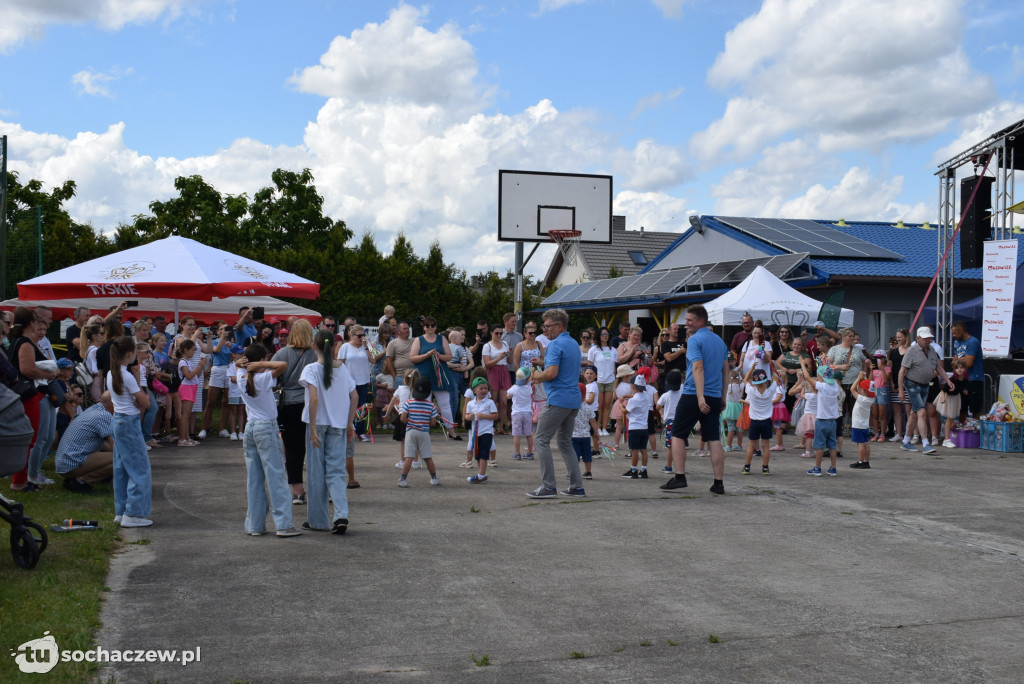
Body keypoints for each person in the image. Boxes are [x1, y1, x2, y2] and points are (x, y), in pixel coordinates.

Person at [661, 305, 730, 495]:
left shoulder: (694, 340)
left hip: (694, 394)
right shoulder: (720, 342)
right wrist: (722, 396)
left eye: (690, 320)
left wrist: (700, 397)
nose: (686, 324)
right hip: (715, 395)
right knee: (713, 438)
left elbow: (698, 368)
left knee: (677, 433)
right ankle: (718, 483)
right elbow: (726, 371)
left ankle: (680, 477)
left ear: (701, 321)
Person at [237, 342, 301, 537]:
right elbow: (282, 365)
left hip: (250, 428)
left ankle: (254, 526)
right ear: (262, 359)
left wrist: (246, 365)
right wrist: (259, 365)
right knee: (276, 476)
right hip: (266, 426)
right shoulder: (263, 378)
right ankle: (283, 524)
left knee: (254, 479)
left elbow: (239, 366)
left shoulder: (241, 376)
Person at [300, 330, 358, 533]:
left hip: (317, 424)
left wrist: (313, 427)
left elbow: (314, 399)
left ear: (313, 346)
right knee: (336, 472)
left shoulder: (310, 369)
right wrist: (350, 423)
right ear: (335, 347)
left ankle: (318, 520)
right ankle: (341, 515)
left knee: (316, 472)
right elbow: (355, 397)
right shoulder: (342, 369)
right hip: (339, 425)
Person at [526, 308, 584, 498]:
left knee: (541, 439)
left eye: (548, 326)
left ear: (559, 326)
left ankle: (548, 486)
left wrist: (536, 375)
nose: (545, 330)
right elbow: (562, 367)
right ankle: (576, 486)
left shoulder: (555, 345)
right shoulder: (573, 343)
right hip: (573, 399)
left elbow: (552, 374)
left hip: (559, 399)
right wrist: (543, 363)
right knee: (565, 443)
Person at [7, 307, 59, 492]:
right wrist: (50, 374)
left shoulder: (22, 341)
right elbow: (26, 370)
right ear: (31, 323)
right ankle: (20, 481)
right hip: (28, 394)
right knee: (30, 437)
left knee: (30, 437)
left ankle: (22, 478)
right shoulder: (25, 343)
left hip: (26, 394)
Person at [106, 336, 153, 527]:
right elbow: (146, 402)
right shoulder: (127, 376)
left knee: (121, 467)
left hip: (119, 420)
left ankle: (121, 510)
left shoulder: (112, 373)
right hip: (129, 422)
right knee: (139, 468)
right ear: (129, 354)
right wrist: (139, 380)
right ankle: (133, 513)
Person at [271, 319, 318, 504]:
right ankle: (321, 488)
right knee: (315, 446)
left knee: (292, 449)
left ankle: (298, 491)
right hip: (310, 402)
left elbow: (271, 377)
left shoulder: (281, 353)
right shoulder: (315, 355)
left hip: (288, 403)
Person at [898, 327, 953, 455]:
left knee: (914, 413)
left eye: (929, 338)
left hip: (925, 384)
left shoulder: (932, 350)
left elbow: (938, 367)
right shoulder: (911, 351)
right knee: (922, 412)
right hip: (912, 384)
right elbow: (902, 372)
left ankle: (906, 441)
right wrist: (901, 390)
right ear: (918, 338)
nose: (928, 340)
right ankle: (926, 444)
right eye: (925, 338)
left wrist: (947, 380)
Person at [409, 316, 460, 440]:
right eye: (427, 325)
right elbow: (412, 357)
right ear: (424, 327)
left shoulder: (441, 338)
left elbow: (449, 356)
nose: (430, 328)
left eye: (432, 325)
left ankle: (451, 430)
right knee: (423, 404)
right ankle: (421, 429)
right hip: (424, 376)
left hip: (440, 376)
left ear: (436, 327)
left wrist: (439, 356)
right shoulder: (419, 340)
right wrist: (426, 355)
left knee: (445, 405)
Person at [57, 392, 115, 493]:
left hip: (64, 462)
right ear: (113, 404)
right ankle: (81, 481)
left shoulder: (93, 409)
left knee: (115, 456)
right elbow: (116, 447)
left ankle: (75, 479)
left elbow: (105, 446)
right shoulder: (104, 415)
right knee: (120, 459)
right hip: (72, 464)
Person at [26, 305, 58, 486]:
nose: (43, 331)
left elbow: (53, 365)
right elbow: (33, 368)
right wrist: (50, 371)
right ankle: (32, 474)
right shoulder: (27, 344)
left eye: (45, 329)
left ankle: (36, 471)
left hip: (48, 391)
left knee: (47, 436)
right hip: (39, 392)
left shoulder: (43, 343)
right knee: (40, 436)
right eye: (40, 328)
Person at [397, 376, 441, 488]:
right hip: (424, 432)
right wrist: (425, 422)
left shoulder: (409, 402)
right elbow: (433, 423)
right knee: (427, 457)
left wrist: (410, 421)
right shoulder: (431, 405)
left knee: (409, 457)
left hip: (411, 431)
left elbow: (402, 418)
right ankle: (434, 478)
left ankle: (403, 479)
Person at [740, 367, 782, 476]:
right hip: (766, 421)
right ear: (766, 381)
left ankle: (747, 467)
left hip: (754, 422)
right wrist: (772, 367)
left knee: (751, 445)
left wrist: (751, 368)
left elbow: (745, 379)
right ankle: (765, 468)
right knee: (766, 446)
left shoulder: (751, 391)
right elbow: (776, 379)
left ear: (754, 382)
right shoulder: (770, 390)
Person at [338, 323, 374, 442]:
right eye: (359, 336)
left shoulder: (366, 346)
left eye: (363, 335)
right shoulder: (345, 347)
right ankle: (348, 429)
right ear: (352, 335)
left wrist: (367, 346)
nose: (361, 338)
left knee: (361, 407)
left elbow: (373, 360)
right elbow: (340, 363)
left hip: (363, 380)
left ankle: (361, 432)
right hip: (349, 381)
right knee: (348, 406)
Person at [827, 327, 867, 429]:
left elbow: (865, 361)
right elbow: (826, 365)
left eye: (853, 336)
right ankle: (838, 429)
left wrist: (864, 372)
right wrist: (840, 367)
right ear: (843, 336)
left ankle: (854, 429)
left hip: (855, 383)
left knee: (854, 407)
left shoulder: (857, 349)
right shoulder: (834, 349)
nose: (852, 339)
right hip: (840, 382)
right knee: (840, 407)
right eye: (850, 336)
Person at [805, 365, 841, 477]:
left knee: (819, 446)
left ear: (821, 377)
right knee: (832, 446)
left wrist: (802, 364)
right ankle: (833, 468)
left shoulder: (823, 386)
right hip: (833, 421)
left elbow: (807, 378)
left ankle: (818, 468)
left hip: (822, 420)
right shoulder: (835, 385)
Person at [200, 323, 234, 439]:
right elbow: (217, 351)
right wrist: (222, 338)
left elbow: (235, 356)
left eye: (226, 329)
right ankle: (204, 428)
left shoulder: (231, 343)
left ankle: (222, 428)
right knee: (211, 401)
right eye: (221, 329)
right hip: (218, 369)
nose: (224, 331)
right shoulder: (214, 342)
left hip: (228, 369)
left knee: (226, 401)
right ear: (218, 332)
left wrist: (231, 347)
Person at [464, 376, 498, 484]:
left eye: (485, 388)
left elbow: (495, 416)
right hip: (476, 433)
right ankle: (481, 474)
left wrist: (483, 415)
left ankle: (481, 475)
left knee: (483, 454)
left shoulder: (490, 403)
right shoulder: (470, 404)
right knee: (478, 454)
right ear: (474, 390)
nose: (484, 391)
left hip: (486, 432)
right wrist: (468, 417)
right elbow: (467, 415)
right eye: (481, 388)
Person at [620, 374, 652, 479]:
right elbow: (636, 395)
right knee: (643, 449)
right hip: (644, 427)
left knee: (634, 450)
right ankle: (644, 469)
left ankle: (633, 470)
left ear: (633, 387)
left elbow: (625, 411)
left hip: (634, 428)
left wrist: (620, 405)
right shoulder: (646, 396)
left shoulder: (633, 401)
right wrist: (626, 396)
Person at [175, 339, 206, 447]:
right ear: (186, 350)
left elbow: (196, 375)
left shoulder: (189, 362)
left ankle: (187, 437)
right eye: (193, 350)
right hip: (186, 387)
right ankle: (182, 438)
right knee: (185, 414)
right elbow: (188, 376)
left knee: (188, 414)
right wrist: (198, 366)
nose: (194, 352)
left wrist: (200, 366)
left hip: (192, 387)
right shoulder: (183, 362)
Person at [588, 327, 618, 436]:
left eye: (607, 334)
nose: (605, 336)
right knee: (599, 405)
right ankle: (598, 427)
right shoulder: (594, 349)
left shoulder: (613, 350)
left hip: (610, 380)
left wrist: (615, 379)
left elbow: (614, 366)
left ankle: (605, 427)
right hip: (599, 380)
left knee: (607, 405)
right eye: (602, 334)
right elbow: (590, 365)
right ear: (599, 336)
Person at [482, 325, 512, 434]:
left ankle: (501, 426)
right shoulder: (487, 346)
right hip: (493, 371)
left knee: (504, 401)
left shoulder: (504, 344)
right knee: (493, 400)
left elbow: (509, 361)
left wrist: (509, 354)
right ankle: (492, 426)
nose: (499, 335)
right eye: (497, 333)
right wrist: (499, 357)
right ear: (491, 333)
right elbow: (487, 364)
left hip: (503, 370)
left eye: (500, 333)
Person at [951, 322, 984, 421]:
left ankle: (977, 432)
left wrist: (958, 360)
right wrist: (961, 360)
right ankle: (963, 432)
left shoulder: (973, 342)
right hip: (961, 379)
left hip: (974, 379)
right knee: (962, 408)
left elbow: (969, 363)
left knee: (975, 409)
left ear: (961, 331)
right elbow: (953, 364)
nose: (953, 336)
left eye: (955, 333)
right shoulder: (957, 343)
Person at [888, 328, 913, 442]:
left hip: (908, 382)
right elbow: (891, 367)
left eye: (900, 337)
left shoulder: (912, 350)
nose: (897, 339)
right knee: (897, 410)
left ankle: (910, 434)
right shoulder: (894, 351)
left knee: (909, 410)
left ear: (906, 337)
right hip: (895, 382)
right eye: (897, 337)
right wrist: (892, 382)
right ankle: (898, 434)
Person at [939, 360, 969, 448]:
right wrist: (943, 398)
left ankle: (948, 438)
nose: (959, 370)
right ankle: (946, 439)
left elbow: (962, 387)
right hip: (948, 398)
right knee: (950, 418)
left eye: (961, 368)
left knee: (951, 418)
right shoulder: (952, 379)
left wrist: (964, 390)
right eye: (957, 368)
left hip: (956, 397)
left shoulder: (965, 379)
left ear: (965, 369)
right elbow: (943, 390)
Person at [445, 328, 472, 426]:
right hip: (454, 373)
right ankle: (451, 421)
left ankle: (466, 419)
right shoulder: (457, 348)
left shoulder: (464, 348)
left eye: (463, 335)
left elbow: (471, 364)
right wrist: (457, 366)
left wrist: (463, 369)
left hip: (461, 372)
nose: (462, 338)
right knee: (454, 399)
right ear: (454, 338)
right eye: (461, 336)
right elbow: (445, 361)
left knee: (469, 395)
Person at [508, 367, 535, 461]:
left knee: (517, 434)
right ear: (527, 379)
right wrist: (532, 371)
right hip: (527, 413)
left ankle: (517, 454)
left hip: (516, 413)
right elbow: (530, 379)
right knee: (528, 434)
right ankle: (530, 453)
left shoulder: (514, 388)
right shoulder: (528, 387)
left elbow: (508, 395)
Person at [849, 374, 874, 469]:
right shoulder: (871, 399)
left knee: (860, 443)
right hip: (865, 425)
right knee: (865, 442)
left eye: (860, 388)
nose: (858, 389)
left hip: (857, 425)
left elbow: (852, 389)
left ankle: (860, 461)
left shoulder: (861, 399)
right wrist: (864, 379)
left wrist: (858, 378)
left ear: (863, 391)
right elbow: (867, 388)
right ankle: (866, 461)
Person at [384, 320, 415, 390]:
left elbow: (425, 338)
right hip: (400, 377)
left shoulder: (415, 341)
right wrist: (395, 377)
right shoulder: (393, 343)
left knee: (413, 399)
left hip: (414, 377)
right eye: (404, 329)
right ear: (398, 331)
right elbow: (388, 361)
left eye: (408, 328)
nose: (407, 330)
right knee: (400, 400)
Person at [869, 350, 891, 441]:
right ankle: (876, 433)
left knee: (882, 415)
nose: (878, 360)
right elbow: (870, 380)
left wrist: (882, 368)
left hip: (882, 390)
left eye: (880, 358)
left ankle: (882, 434)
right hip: (874, 390)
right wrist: (871, 370)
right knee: (875, 414)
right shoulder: (874, 369)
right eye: (877, 358)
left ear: (884, 358)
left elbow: (886, 380)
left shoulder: (887, 368)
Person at [226, 344, 246, 439]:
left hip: (242, 392)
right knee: (233, 411)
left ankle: (241, 431)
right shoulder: (231, 365)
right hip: (234, 392)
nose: (241, 355)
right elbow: (233, 378)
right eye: (239, 354)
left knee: (241, 412)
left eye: (242, 353)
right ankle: (233, 432)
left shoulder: (245, 366)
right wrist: (242, 380)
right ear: (233, 354)